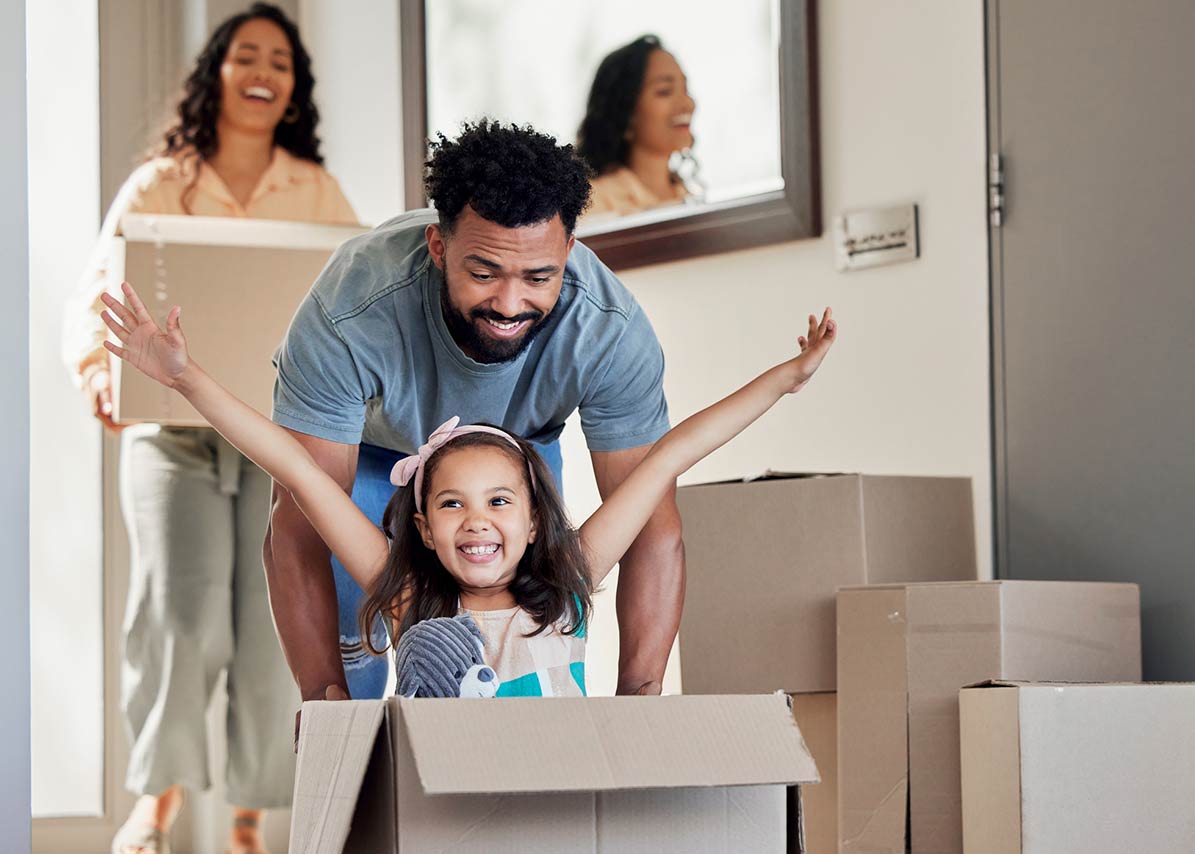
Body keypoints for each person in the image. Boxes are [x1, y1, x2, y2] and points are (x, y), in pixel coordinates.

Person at [102, 284, 836, 697]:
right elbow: (296, 470)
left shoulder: (569, 587)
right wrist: (184, 379)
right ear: (421, 527)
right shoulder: (410, 600)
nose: (476, 522)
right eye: (451, 503)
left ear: (531, 521)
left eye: (499, 502)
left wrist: (787, 378)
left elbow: (672, 451)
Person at [61, 5, 358, 854]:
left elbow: (357, 302)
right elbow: (94, 295)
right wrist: (97, 376)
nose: (264, 70)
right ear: (216, 75)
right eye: (245, 56)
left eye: (280, 60)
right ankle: (155, 807)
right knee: (180, 617)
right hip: (171, 437)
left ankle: (247, 821)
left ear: (294, 87)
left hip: (273, 442)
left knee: (271, 629)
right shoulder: (162, 180)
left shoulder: (317, 192)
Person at [263, 120, 685, 712]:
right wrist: (321, 698)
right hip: (371, 453)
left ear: (568, 251)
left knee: (530, 647)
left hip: (519, 451)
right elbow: (300, 518)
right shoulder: (351, 311)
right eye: (484, 273)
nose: (510, 304)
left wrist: (641, 700)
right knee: (350, 677)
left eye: (539, 278)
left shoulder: (608, 331)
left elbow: (652, 523)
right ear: (439, 247)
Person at [577, 35, 700, 218]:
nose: (688, 103)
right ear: (624, 111)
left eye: (685, 89)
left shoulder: (688, 195)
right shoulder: (592, 204)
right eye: (664, 91)